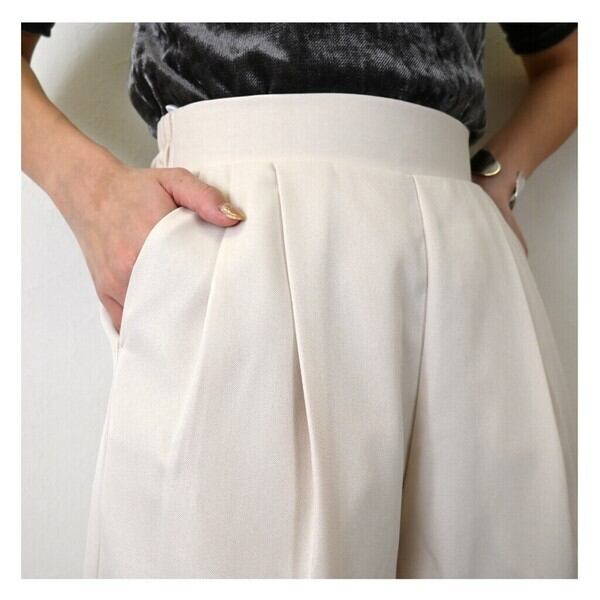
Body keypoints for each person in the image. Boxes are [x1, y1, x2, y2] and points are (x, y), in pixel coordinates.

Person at [21, 23, 578, 578]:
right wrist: (92, 195)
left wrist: (499, 176)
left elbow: (574, 56)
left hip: (461, 262)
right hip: (235, 237)